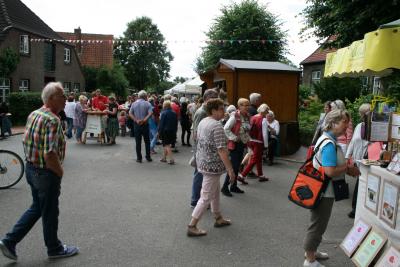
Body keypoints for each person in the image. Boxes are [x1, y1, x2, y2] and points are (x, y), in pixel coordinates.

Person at [0, 82, 79, 261]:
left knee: (38, 207)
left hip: (31, 168)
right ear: (51, 98)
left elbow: (25, 141)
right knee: (50, 211)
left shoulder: (34, 114)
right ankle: (54, 248)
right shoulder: (52, 119)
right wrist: (59, 171)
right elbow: (50, 153)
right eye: (62, 95)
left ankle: (10, 241)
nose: (66, 99)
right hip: (45, 173)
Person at [303, 109, 360, 267]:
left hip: (320, 189)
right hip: (324, 191)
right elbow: (329, 171)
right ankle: (310, 259)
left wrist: (344, 167)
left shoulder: (327, 138)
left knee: (318, 223)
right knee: (318, 224)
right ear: (333, 123)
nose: (346, 126)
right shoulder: (329, 143)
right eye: (344, 122)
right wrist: (347, 168)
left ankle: (312, 251)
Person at [187, 98, 235, 237]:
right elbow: (222, 150)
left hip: (203, 163)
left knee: (214, 192)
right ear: (213, 110)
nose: (224, 111)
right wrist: (230, 170)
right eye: (221, 109)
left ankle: (218, 217)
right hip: (212, 166)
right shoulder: (216, 126)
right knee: (206, 196)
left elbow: (196, 138)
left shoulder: (203, 122)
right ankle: (192, 225)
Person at [190, 89, 219, 208]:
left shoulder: (204, 111)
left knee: (202, 174)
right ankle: (196, 200)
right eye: (216, 98)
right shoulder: (202, 112)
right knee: (200, 174)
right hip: (201, 149)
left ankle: (200, 200)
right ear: (208, 99)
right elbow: (196, 133)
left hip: (202, 148)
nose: (218, 101)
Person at [221, 98, 251, 197]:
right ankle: (225, 187)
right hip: (235, 145)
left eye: (248, 105)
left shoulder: (247, 116)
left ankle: (233, 186)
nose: (247, 107)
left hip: (242, 144)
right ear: (239, 106)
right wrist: (234, 138)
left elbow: (246, 130)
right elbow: (226, 128)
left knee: (237, 166)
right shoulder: (235, 116)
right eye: (245, 105)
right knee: (233, 167)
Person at [345, 103, 371, 218]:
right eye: (363, 113)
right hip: (357, 159)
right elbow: (353, 142)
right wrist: (348, 156)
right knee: (360, 183)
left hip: (367, 160)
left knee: (362, 184)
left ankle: (356, 210)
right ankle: (355, 209)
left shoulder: (374, 128)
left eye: (366, 113)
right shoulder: (359, 126)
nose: (363, 115)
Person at [239, 104, 270, 183]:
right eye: (267, 110)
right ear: (264, 111)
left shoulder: (253, 117)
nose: (268, 112)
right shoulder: (263, 119)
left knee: (258, 158)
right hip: (259, 142)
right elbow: (265, 133)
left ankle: (261, 175)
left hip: (251, 140)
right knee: (254, 159)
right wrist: (266, 145)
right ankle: (242, 175)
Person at [129, 90, 153, 163]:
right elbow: (150, 113)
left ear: (138, 96)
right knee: (147, 141)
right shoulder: (147, 103)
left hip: (137, 124)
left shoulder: (133, 104)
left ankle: (139, 158)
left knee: (138, 142)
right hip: (145, 124)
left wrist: (136, 120)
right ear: (145, 96)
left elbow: (130, 113)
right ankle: (148, 157)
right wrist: (144, 120)